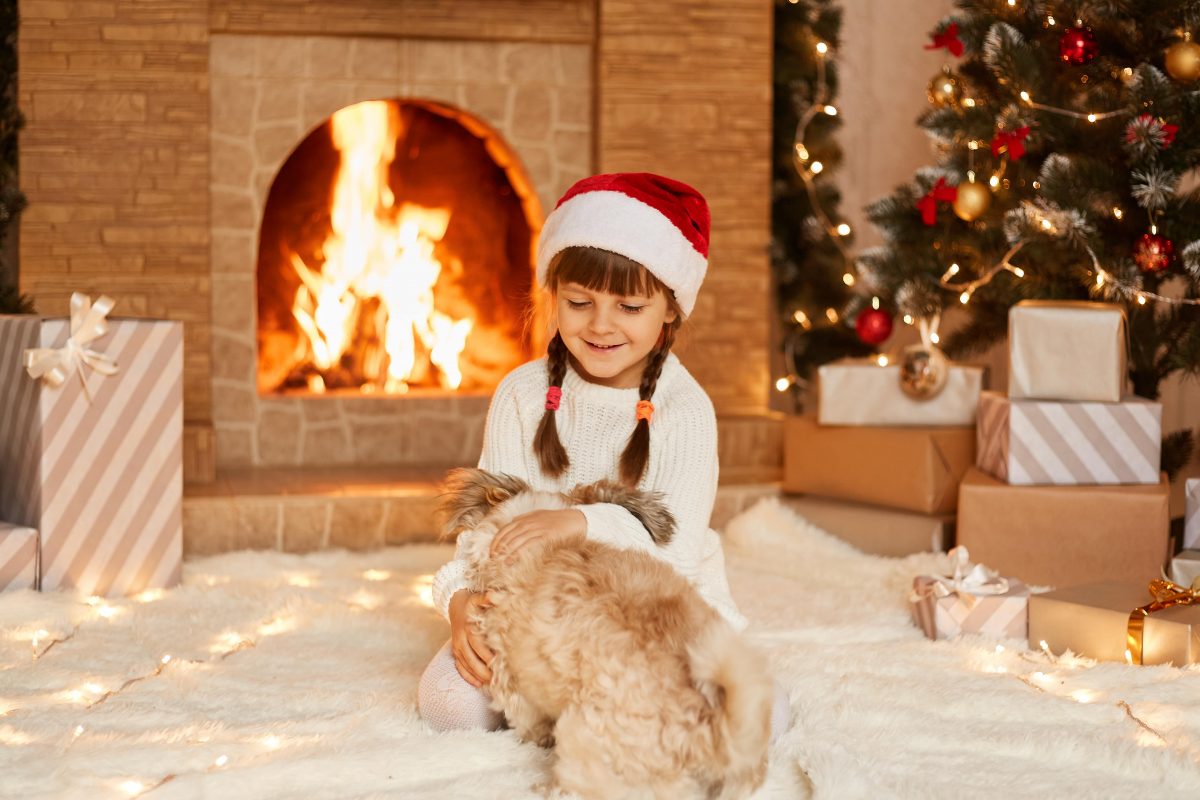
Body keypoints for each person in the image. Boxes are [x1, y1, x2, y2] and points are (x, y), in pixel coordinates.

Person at [417, 172, 788, 739]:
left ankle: (596, 707)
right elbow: (484, 525)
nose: (600, 325)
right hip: (536, 608)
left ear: (668, 309)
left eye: (630, 306)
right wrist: (461, 598)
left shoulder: (684, 410)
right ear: (554, 299)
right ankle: (574, 703)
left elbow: (679, 553)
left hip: (652, 607)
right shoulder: (521, 394)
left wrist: (577, 521)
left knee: (757, 714)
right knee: (448, 705)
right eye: (579, 302)